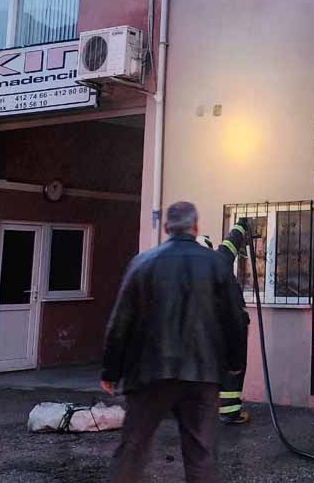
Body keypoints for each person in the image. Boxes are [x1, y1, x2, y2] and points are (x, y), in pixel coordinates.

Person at [102, 202, 248, 483]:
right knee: (201, 455)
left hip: (149, 374)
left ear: (167, 228)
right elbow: (235, 319)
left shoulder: (142, 263)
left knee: (132, 450)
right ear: (195, 227)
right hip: (202, 375)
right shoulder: (216, 265)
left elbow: (120, 322)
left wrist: (111, 370)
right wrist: (234, 363)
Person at [215, 219, 251, 426]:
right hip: (230, 325)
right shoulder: (218, 261)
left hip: (206, 329)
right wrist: (241, 225)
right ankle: (229, 412)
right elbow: (230, 244)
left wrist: (239, 228)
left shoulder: (191, 268)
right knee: (233, 369)